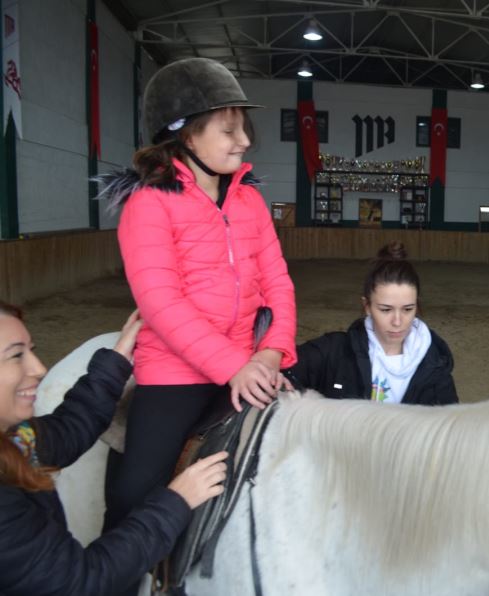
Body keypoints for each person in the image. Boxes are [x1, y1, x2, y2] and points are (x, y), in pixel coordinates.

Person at [97, 57, 297, 592]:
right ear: (183, 135)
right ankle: (110, 581)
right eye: (229, 129)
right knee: (135, 491)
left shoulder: (251, 201)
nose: (244, 141)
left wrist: (272, 352)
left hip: (249, 363)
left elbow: (279, 284)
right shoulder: (148, 206)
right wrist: (233, 365)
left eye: (244, 127)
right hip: (175, 375)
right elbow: (161, 305)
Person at [0, 303, 228, 595]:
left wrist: (116, 360)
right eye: (16, 355)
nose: (39, 368)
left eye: (32, 350)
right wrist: (176, 501)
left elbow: (70, 427)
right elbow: (82, 583)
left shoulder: (17, 440)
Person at [286, 242, 457, 405]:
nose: (397, 322)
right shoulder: (332, 351)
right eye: (385, 310)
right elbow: (280, 370)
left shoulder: (436, 365)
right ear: (366, 306)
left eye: (407, 309)